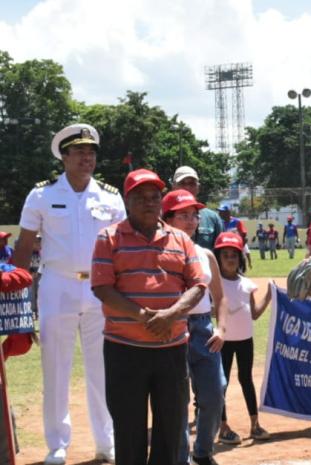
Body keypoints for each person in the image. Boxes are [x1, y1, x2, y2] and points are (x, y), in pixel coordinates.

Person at [11, 123, 124, 465]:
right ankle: (57, 444)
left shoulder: (110, 195)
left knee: (102, 368)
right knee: (55, 368)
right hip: (56, 286)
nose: (86, 158)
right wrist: (18, 305)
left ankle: (106, 442)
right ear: (64, 156)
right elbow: (23, 249)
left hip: (99, 287)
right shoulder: (41, 195)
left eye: (91, 153)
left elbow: (121, 246)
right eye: (79, 152)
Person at [90, 169, 207, 464]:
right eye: (140, 197)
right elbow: (103, 288)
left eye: (155, 197)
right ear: (127, 201)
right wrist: (144, 316)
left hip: (171, 350)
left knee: (169, 430)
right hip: (124, 350)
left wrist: (171, 314)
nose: (149, 203)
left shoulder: (180, 239)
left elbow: (198, 286)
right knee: (129, 432)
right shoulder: (109, 238)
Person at [162, 190, 226, 465]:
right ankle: (180, 458)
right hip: (174, 329)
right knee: (178, 400)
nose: (191, 221)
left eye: (194, 216)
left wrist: (221, 328)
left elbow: (220, 297)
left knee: (215, 392)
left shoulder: (206, 254)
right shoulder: (159, 254)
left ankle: (203, 452)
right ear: (167, 220)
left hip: (204, 329)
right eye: (183, 216)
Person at [215, 232, 273, 445]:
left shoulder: (247, 283)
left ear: (240, 258)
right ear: (218, 258)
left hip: (245, 340)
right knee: (222, 383)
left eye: (234, 255)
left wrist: (268, 296)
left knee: (246, 380)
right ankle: (223, 426)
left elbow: (255, 313)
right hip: (223, 341)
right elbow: (211, 310)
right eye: (225, 255)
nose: (230, 259)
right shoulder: (215, 283)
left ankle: (255, 424)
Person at [171, 166, 224, 250]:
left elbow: (221, 253)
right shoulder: (165, 216)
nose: (187, 187)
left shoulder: (213, 218)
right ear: (173, 187)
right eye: (182, 183)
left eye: (192, 183)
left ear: (198, 187)